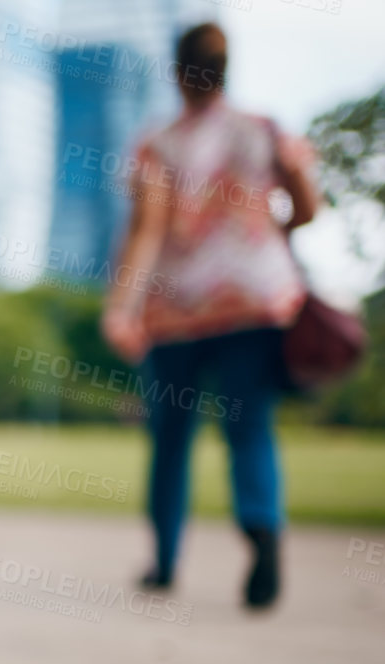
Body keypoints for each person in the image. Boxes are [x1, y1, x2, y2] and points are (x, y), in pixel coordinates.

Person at [102, 21, 320, 610]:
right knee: (249, 429)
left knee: (171, 436)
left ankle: (165, 562)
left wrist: (121, 306)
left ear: (177, 73)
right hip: (254, 301)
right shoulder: (265, 129)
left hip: (178, 309)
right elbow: (306, 205)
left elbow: (146, 231)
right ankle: (261, 527)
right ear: (226, 72)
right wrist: (259, 232)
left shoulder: (159, 145)